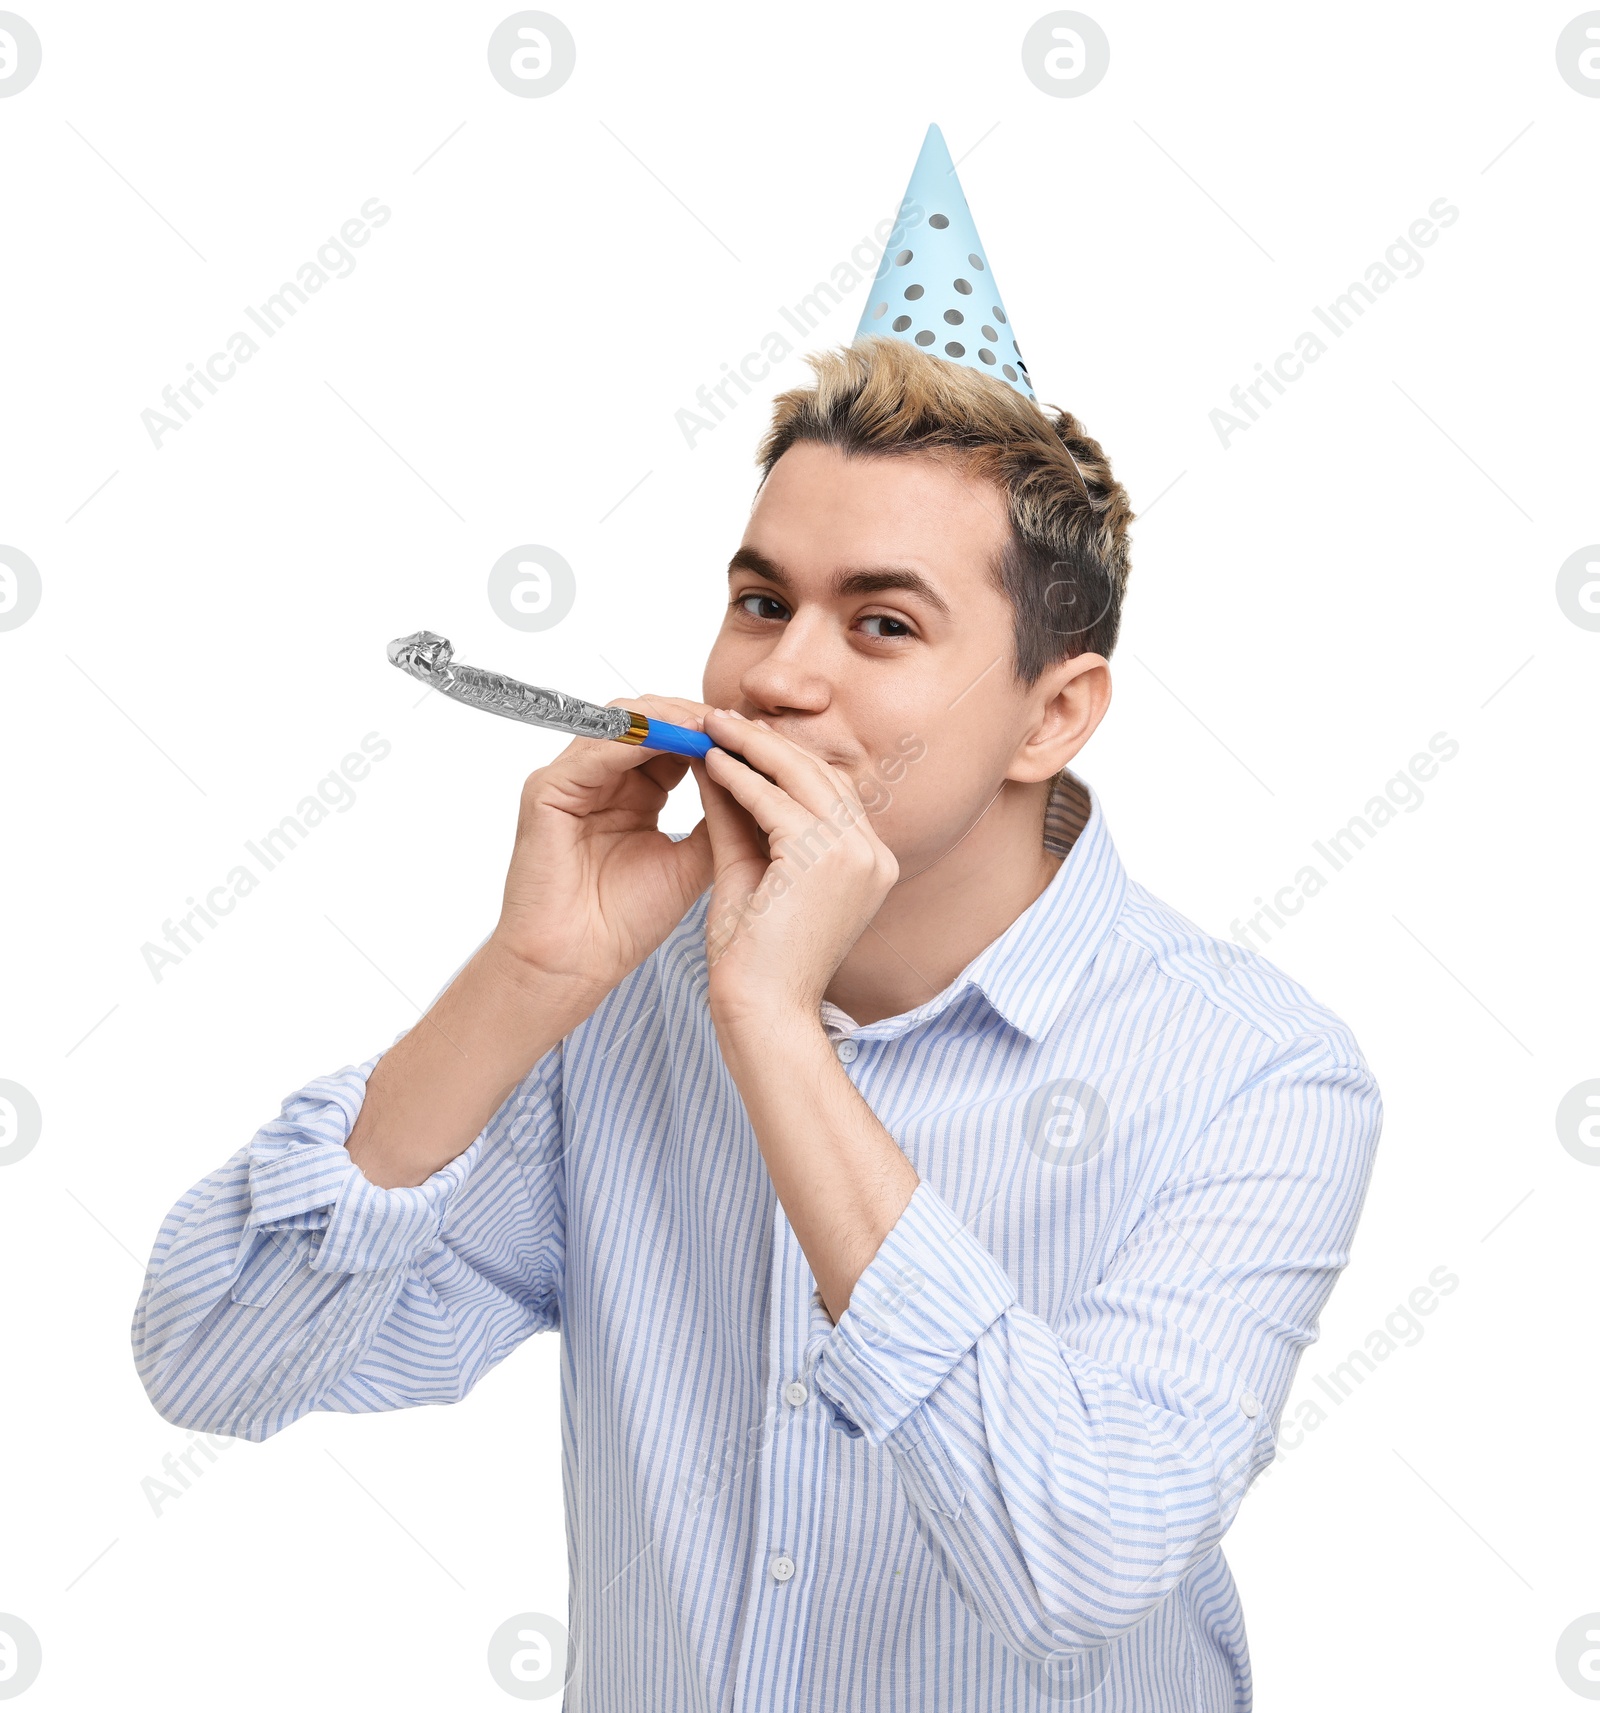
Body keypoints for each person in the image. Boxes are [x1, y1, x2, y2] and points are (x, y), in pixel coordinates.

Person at [131, 330, 1382, 1710]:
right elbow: (211, 1358)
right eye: (760, 601)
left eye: (883, 623)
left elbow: (1074, 1559)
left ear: (1055, 711)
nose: (779, 679)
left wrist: (776, 1029)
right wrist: (529, 975)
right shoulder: (624, 1003)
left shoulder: (1262, 1072)